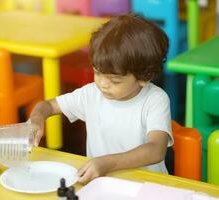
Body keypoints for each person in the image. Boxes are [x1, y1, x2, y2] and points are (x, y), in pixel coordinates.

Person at [29, 14, 173, 184]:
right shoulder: (91, 94)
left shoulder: (155, 100)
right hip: (103, 183)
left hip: (146, 186)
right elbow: (47, 106)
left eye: (114, 80)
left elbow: (156, 150)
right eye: (97, 72)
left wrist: (108, 163)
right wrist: (36, 119)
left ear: (144, 77)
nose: (103, 84)